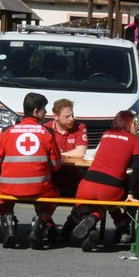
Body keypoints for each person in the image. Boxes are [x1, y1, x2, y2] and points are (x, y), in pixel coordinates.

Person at [0, 92, 62, 249]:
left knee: (2, 195)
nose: (46, 113)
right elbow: (56, 165)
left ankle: (9, 228)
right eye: (44, 109)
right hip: (39, 189)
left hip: (9, 188)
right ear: (35, 111)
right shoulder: (47, 133)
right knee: (55, 195)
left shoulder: (7, 132)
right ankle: (39, 224)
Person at [68, 110, 139, 252]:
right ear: (126, 122)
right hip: (110, 188)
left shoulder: (105, 135)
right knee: (108, 202)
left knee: (82, 202)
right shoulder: (134, 139)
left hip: (87, 184)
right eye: (134, 122)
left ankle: (90, 223)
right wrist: (131, 192)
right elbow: (137, 167)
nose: (136, 125)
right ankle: (106, 221)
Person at [43, 97, 89, 240]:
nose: (72, 119)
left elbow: (80, 152)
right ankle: (47, 226)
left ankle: (68, 228)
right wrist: (65, 155)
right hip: (51, 177)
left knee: (87, 196)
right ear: (56, 117)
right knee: (42, 197)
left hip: (73, 177)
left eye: (72, 115)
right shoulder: (46, 128)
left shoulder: (80, 127)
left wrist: (58, 155)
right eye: (67, 116)